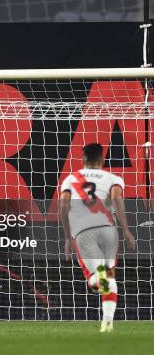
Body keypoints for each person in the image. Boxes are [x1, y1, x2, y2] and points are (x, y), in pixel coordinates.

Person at [59, 143, 136, 333]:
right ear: (102, 160)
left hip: (83, 232)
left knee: (99, 280)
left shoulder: (71, 179)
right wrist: (126, 230)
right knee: (109, 277)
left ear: (83, 160)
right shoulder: (113, 178)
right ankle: (107, 322)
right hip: (109, 231)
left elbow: (63, 206)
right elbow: (117, 198)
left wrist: (68, 238)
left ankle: (98, 281)